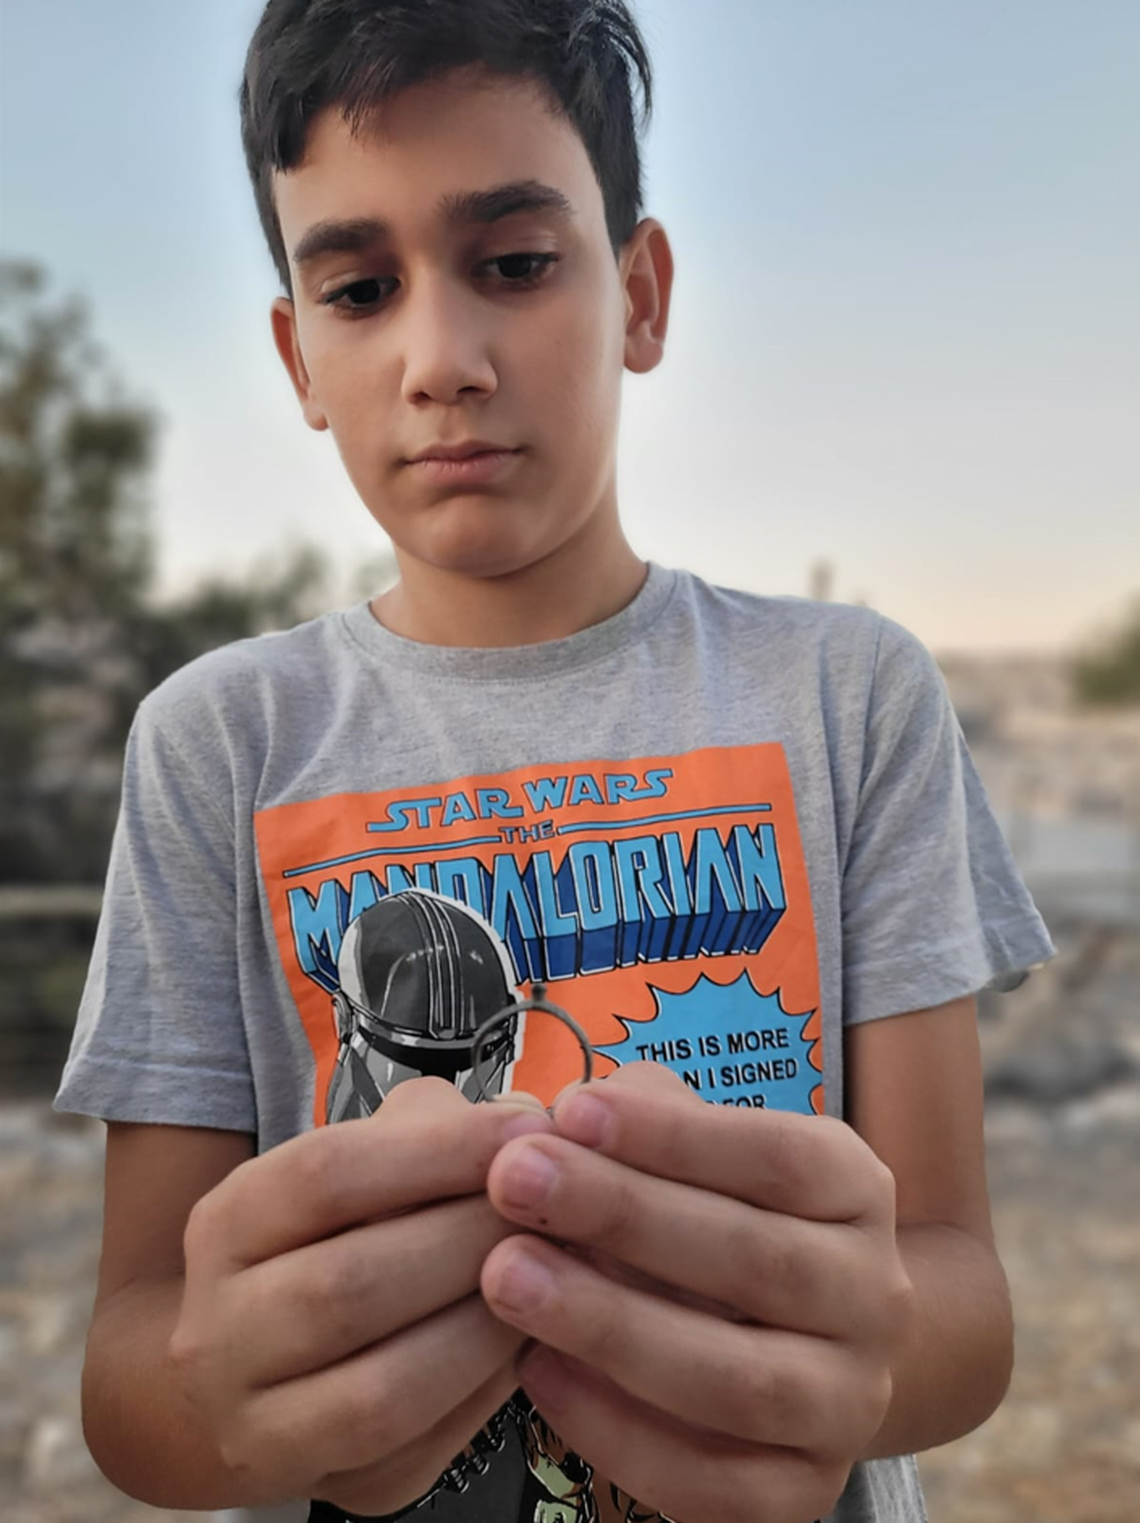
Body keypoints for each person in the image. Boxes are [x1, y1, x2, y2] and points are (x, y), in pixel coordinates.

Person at [54, 3, 1056, 1521]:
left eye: (514, 263)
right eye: (359, 284)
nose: (441, 358)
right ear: (298, 355)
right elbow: (137, 1377)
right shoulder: (217, 744)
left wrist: (870, 1341)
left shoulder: (849, 696)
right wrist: (228, 1393)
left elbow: (960, 1305)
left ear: (641, 293)